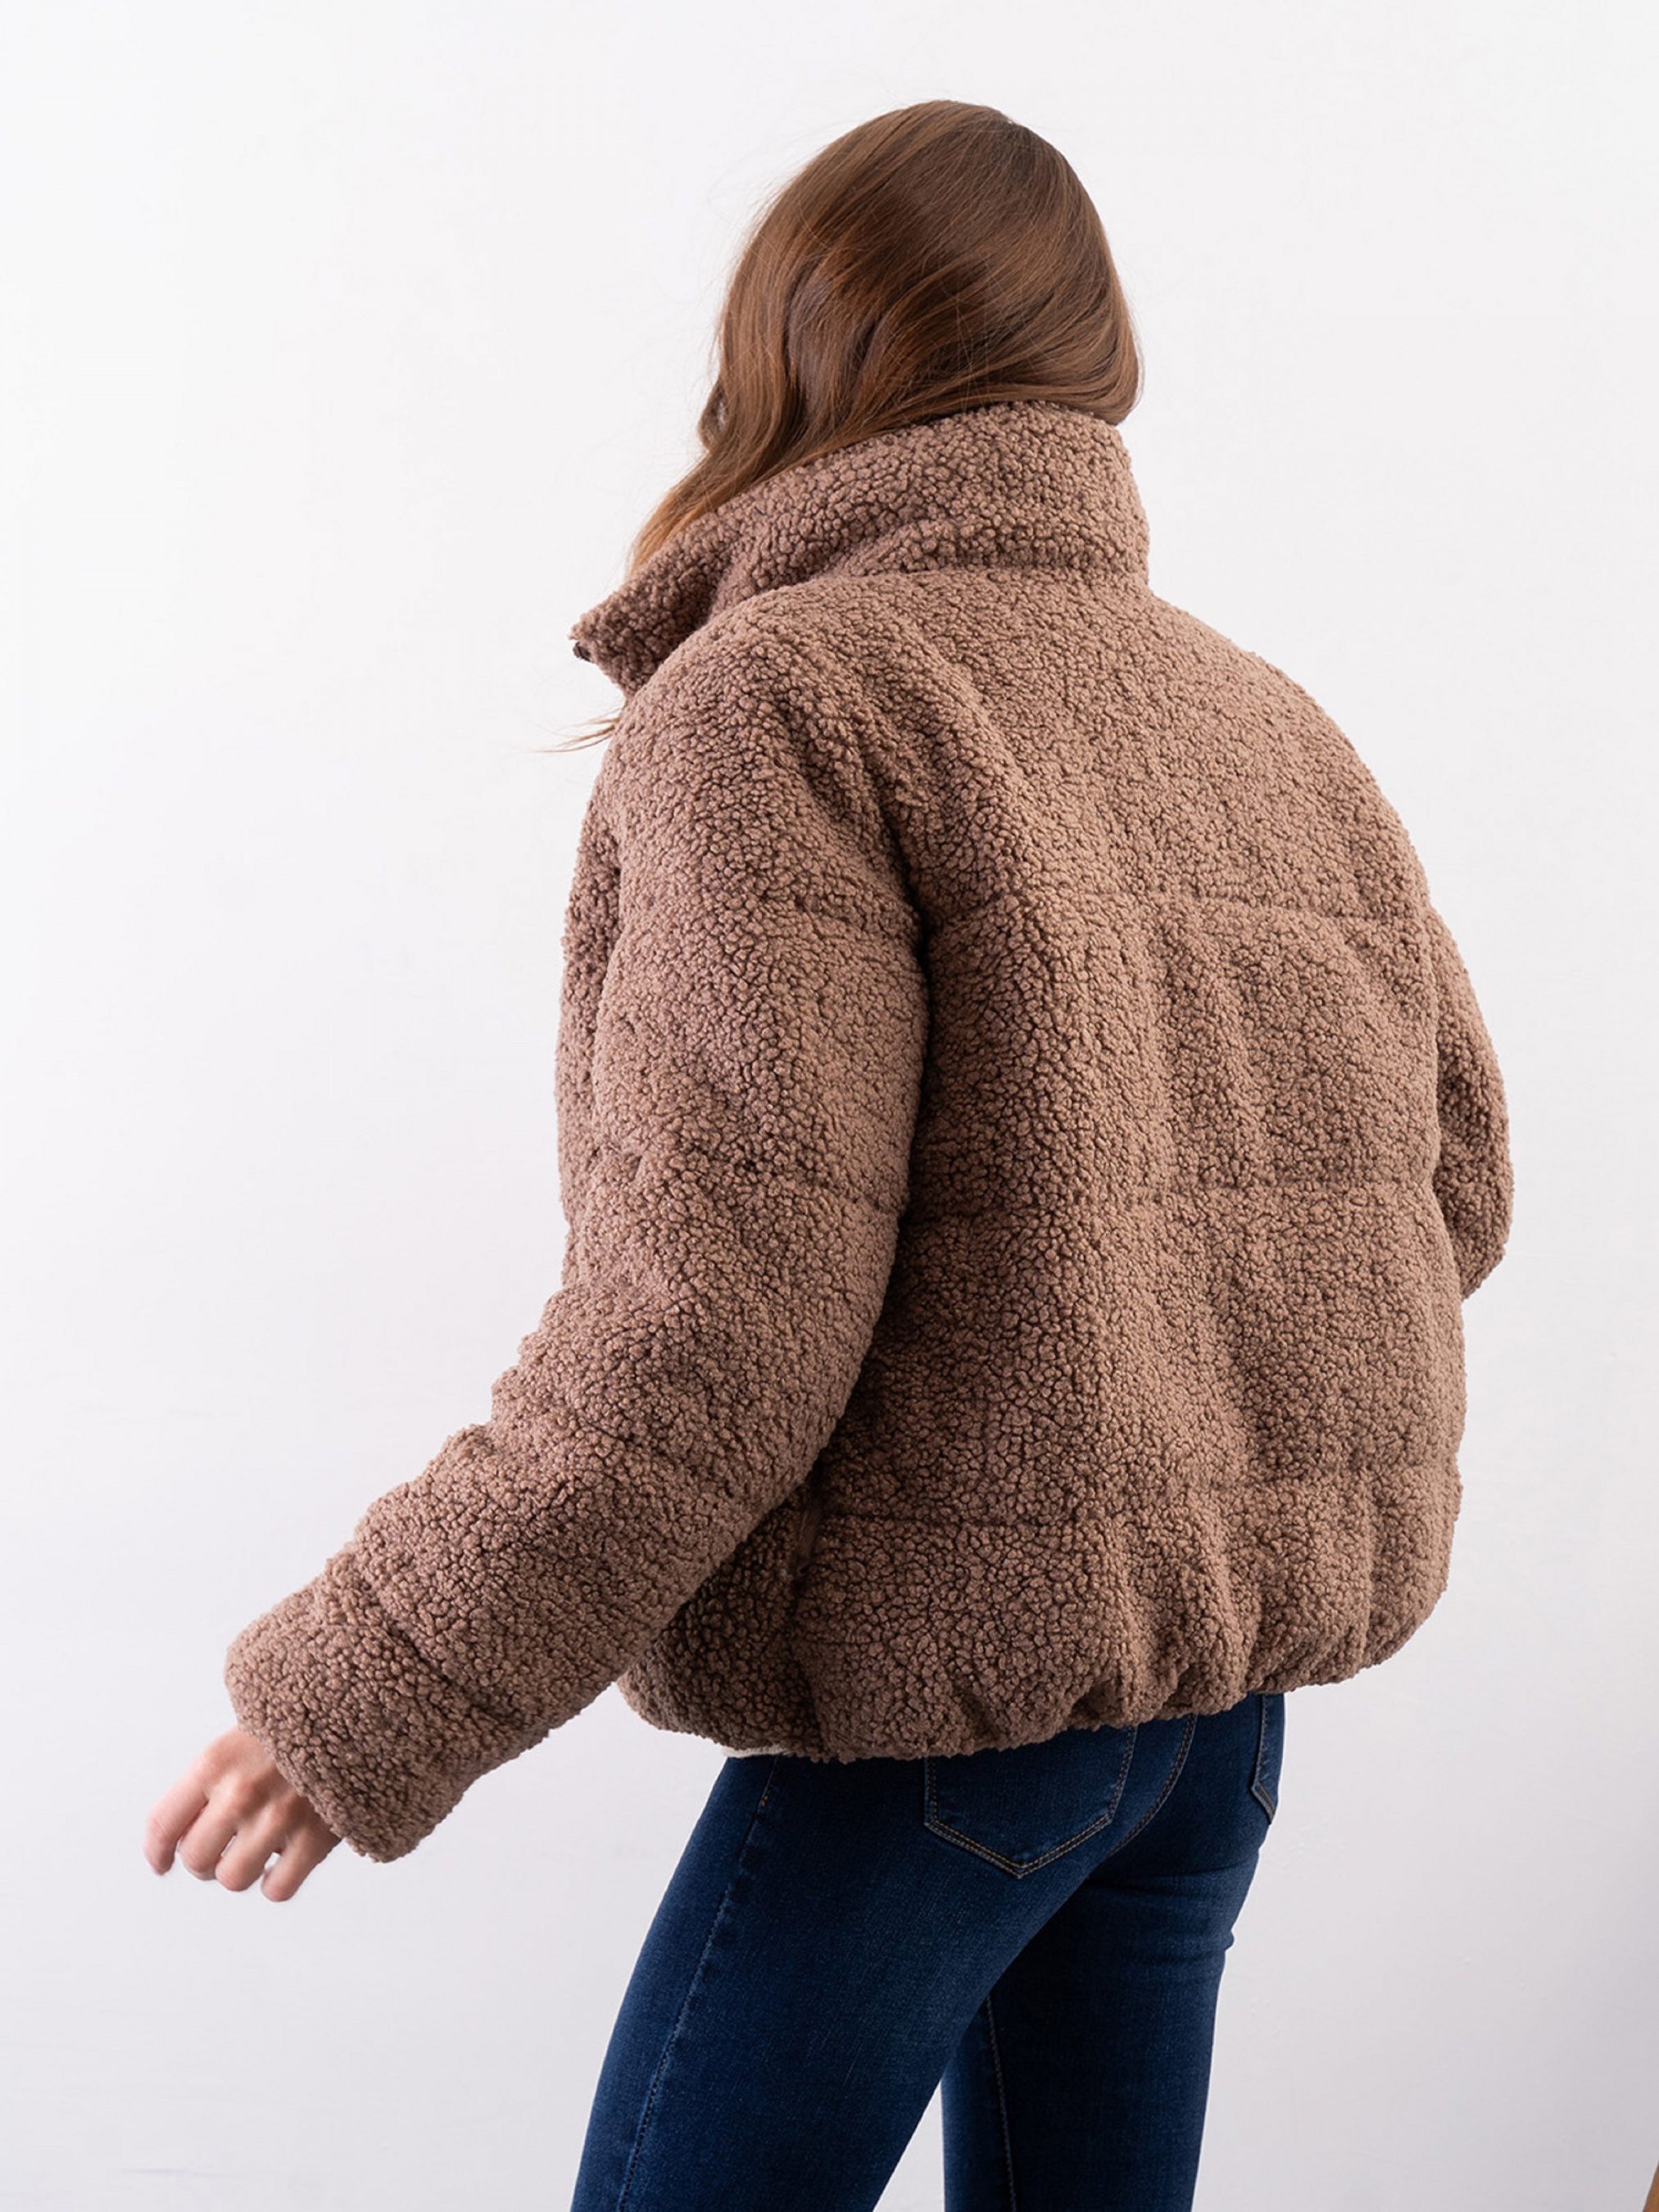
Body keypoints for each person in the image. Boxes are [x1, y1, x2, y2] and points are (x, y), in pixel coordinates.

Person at [143, 99, 1513, 2212]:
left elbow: (718, 1320)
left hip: (953, 1712)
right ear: (1091, 362)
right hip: (1209, 1730)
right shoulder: (1269, 725)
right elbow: (1457, 1191)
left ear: (792, 345)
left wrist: (372, 1682)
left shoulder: (785, 703)